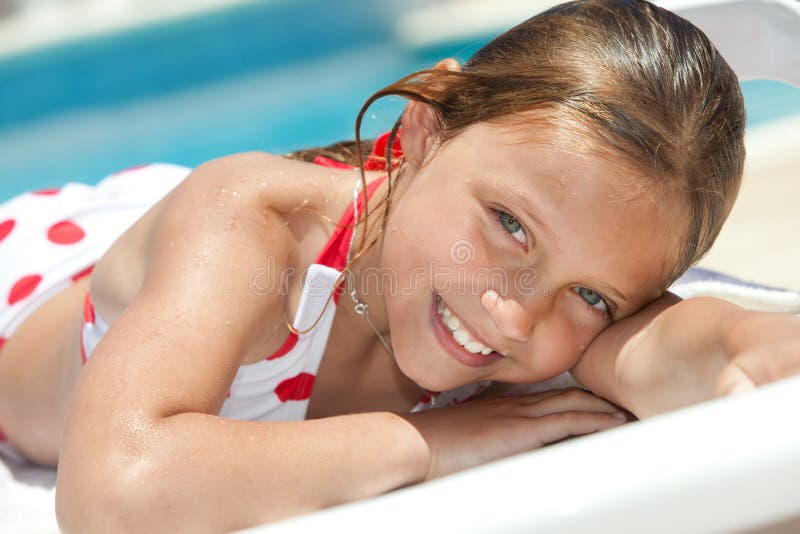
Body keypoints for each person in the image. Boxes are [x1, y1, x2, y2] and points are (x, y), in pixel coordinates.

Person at [0, 0, 797, 531]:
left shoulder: (534, 308)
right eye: (509, 224)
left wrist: (752, 348)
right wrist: (432, 443)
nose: (513, 315)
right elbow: (113, 491)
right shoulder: (258, 237)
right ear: (425, 123)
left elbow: (680, 346)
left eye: (592, 294)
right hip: (35, 267)